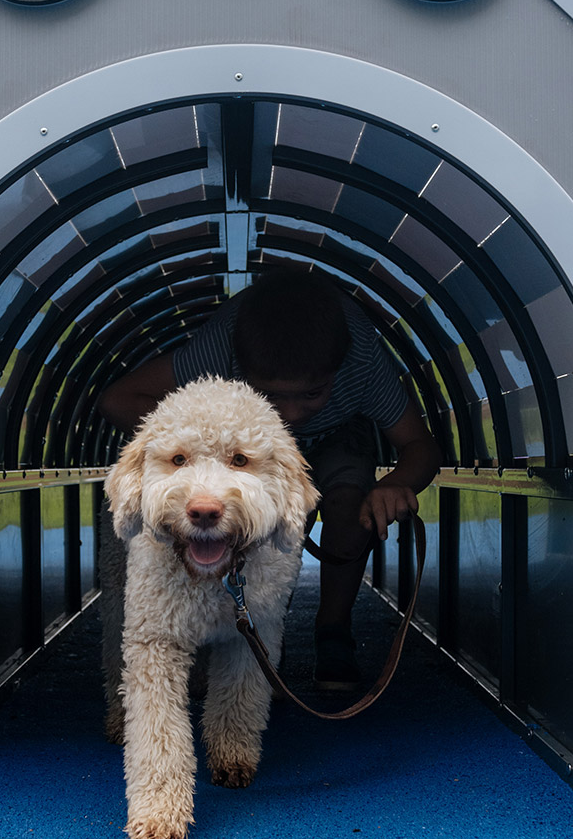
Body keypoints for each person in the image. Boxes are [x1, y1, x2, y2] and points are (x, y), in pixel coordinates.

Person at [98, 269, 440, 690]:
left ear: (338, 369)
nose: (292, 414)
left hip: (338, 437)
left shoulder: (364, 356)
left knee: (350, 507)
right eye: (274, 396)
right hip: (248, 448)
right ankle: (251, 629)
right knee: (236, 514)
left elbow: (420, 445)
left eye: (312, 393)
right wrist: (191, 442)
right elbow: (117, 399)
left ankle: (333, 631)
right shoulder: (218, 348)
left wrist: (394, 484)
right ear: (240, 368)